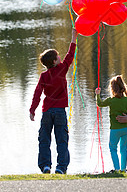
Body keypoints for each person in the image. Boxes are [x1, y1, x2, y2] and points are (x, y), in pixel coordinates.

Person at [29, 28, 78, 174]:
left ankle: (45, 166)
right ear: (55, 61)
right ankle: (61, 168)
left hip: (46, 112)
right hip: (60, 112)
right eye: (58, 56)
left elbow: (37, 93)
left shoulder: (43, 76)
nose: (61, 57)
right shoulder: (62, 69)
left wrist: (32, 110)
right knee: (61, 140)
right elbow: (71, 55)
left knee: (44, 140)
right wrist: (73, 37)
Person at [95, 75, 127, 173]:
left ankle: (117, 169)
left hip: (114, 130)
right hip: (125, 129)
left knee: (113, 148)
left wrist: (97, 94)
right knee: (124, 149)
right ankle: (123, 169)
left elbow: (100, 104)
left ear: (112, 88)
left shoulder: (111, 100)